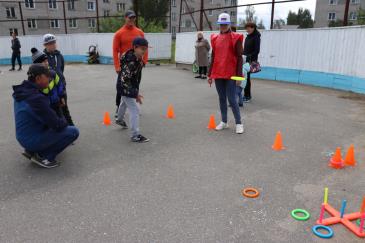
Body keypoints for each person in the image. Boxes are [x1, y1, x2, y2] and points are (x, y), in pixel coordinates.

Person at [12, 64, 79, 168]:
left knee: (49, 122)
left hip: (23, 136)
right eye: (47, 76)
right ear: (38, 78)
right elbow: (57, 125)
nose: (49, 79)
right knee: (73, 132)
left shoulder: (23, 91)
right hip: (30, 139)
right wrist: (63, 119)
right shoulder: (35, 99)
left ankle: (32, 151)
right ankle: (44, 157)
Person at [208, 13, 244, 134]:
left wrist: (239, 76)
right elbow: (213, 57)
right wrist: (209, 74)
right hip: (218, 73)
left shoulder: (236, 37)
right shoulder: (215, 38)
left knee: (232, 99)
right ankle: (224, 122)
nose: (223, 26)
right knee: (222, 98)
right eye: (221, 24)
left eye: (225, 24)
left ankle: (239, 123)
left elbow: (240, 58)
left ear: (229, 24)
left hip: (231, 74)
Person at [113, 10, 148, 121]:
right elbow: (115, 51)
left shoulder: (139, 32)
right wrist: (117, 66)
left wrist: (144, 61)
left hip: (137, 64)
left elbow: (145, 48)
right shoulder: (119, 33)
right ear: (125, 18)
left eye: (133, 18)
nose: (132, 20)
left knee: (135, 84)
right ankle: (118, 108)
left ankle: (134, 106)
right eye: (130, 18)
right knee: (122, 86)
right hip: (125, 65)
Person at [116, 37, 149, 143]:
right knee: (134, 110)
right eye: (142, 49)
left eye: (146, 49)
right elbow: (124, 80)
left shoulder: (135, 58)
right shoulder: (131, 62)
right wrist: (135, 94)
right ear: (135, 48)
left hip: (126, 87)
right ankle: (135, 135)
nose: (144, 51)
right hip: (125, 87)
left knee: (124, 102)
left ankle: (119, 119)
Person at [43, 33, 75, 126]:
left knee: (64, 107)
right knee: (54, 109)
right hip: (50, 88)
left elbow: (61, 70)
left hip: (61, 86)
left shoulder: (59, 56)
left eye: (54, 42)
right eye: (50, 43)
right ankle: (59, 128)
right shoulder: (43, 57)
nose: (53, 45)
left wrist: (61, 81)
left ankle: (71, 126)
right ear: (45, 45)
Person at [31, 47, 65, 117]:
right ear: (37, 65)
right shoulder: (35, 78)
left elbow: (59, 85)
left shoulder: (52, 73)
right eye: (43, 62)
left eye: (46, 61)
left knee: (61, 119)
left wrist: (61, 96)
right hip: (45, 106)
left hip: (56, 103)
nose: (46, 63)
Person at [243, 22, 261, 103]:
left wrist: (249, 56)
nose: (247, 30)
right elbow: (245, 49)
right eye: (246, 28)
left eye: (248, 28)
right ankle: (246, 95)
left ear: (253, 28)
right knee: (245, 78)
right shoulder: (248, 37)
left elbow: (257, 50)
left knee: (247, 78)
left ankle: (248, 96)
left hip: (250, 61)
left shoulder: (256, 37)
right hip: (245, 59)